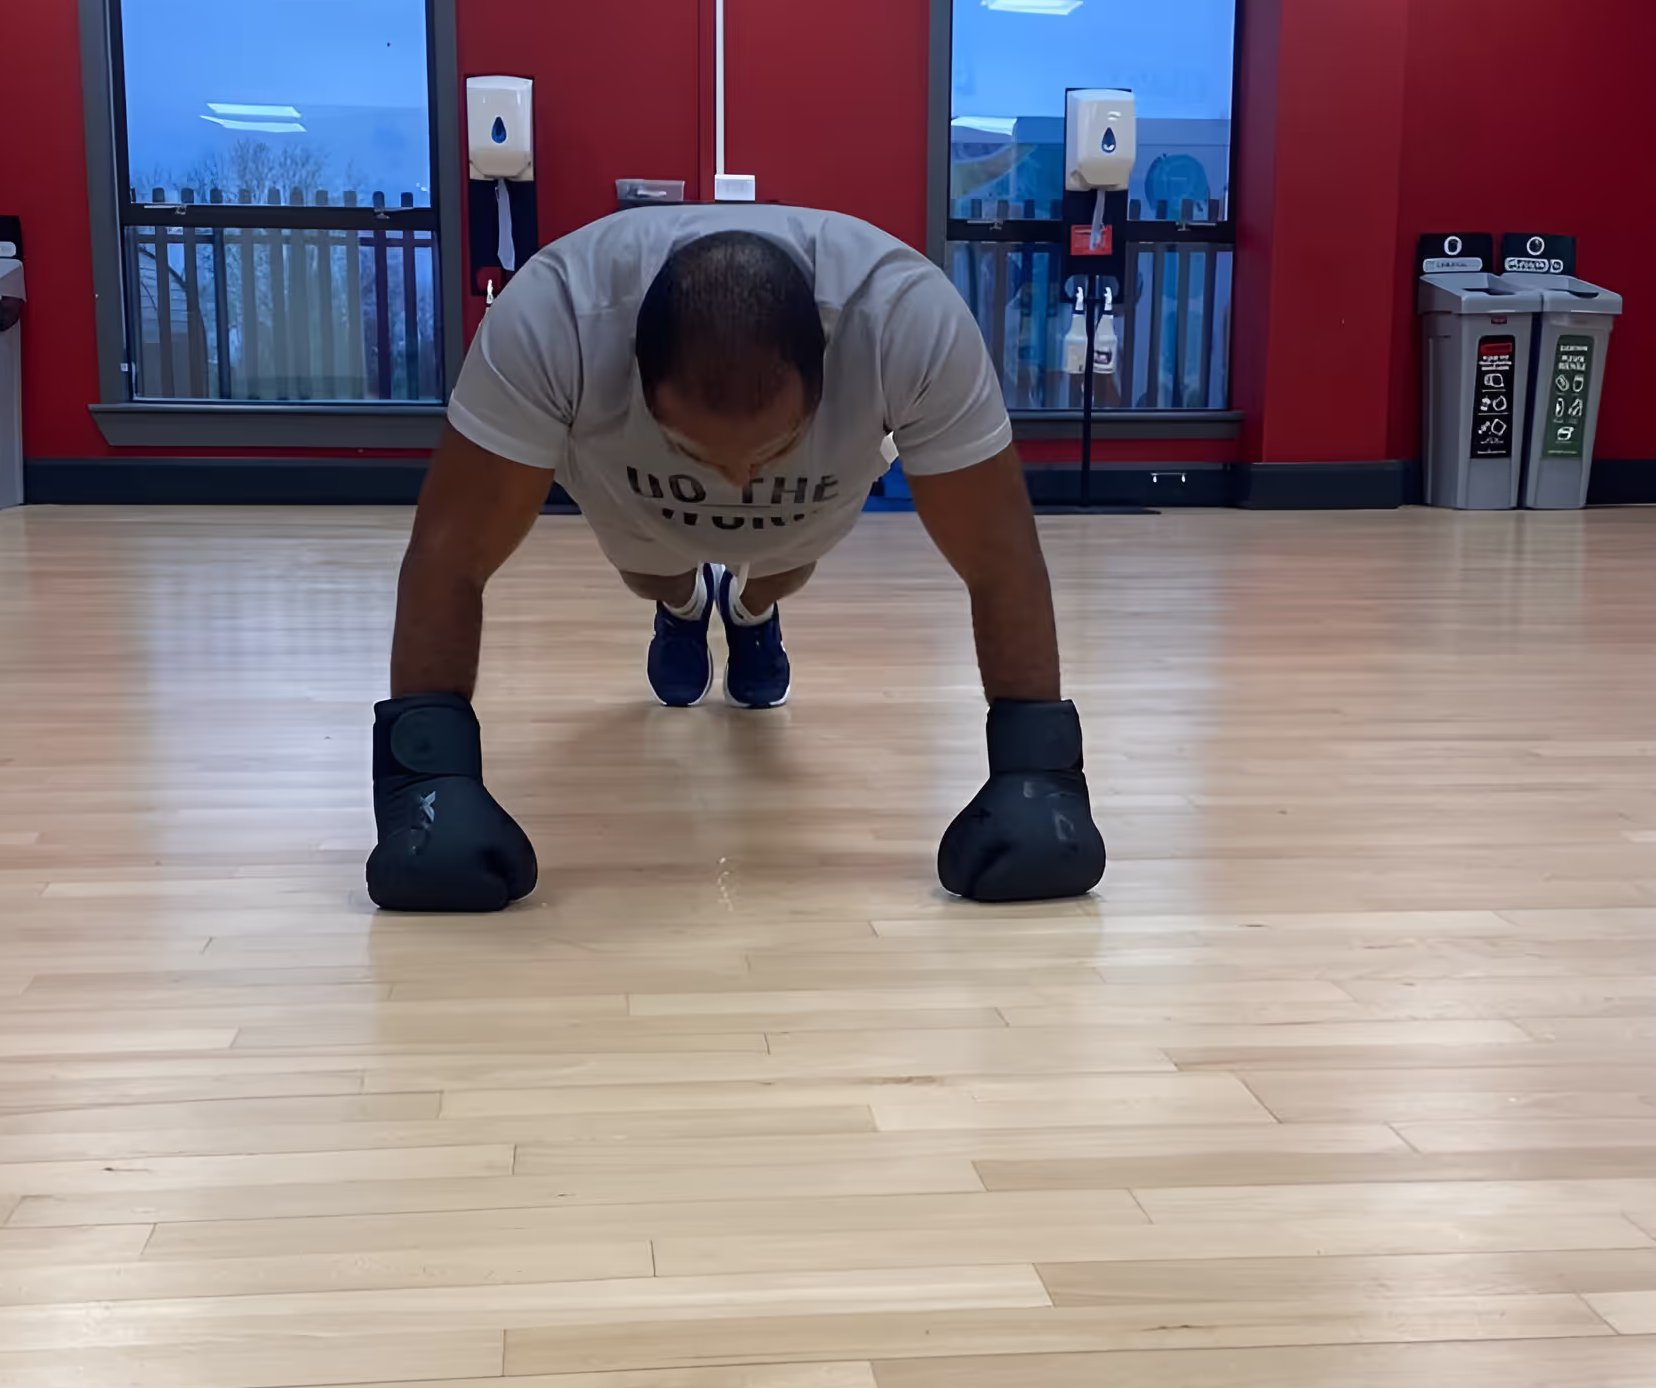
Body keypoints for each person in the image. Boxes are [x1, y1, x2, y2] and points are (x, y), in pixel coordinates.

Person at [367, 204, 1106, 912]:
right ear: (636, 375)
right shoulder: (554, 317)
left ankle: (753, 611)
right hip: (637, 511)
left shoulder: (906, 321)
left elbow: (999, 554)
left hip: (800, 524)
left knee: (779, 571)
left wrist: (1037, 771)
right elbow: (451, 550)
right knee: (652, 576)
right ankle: (684, 607)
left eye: (772, 447)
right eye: (696, 451)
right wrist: (427, 778)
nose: (738, 480)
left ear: (826, 366)